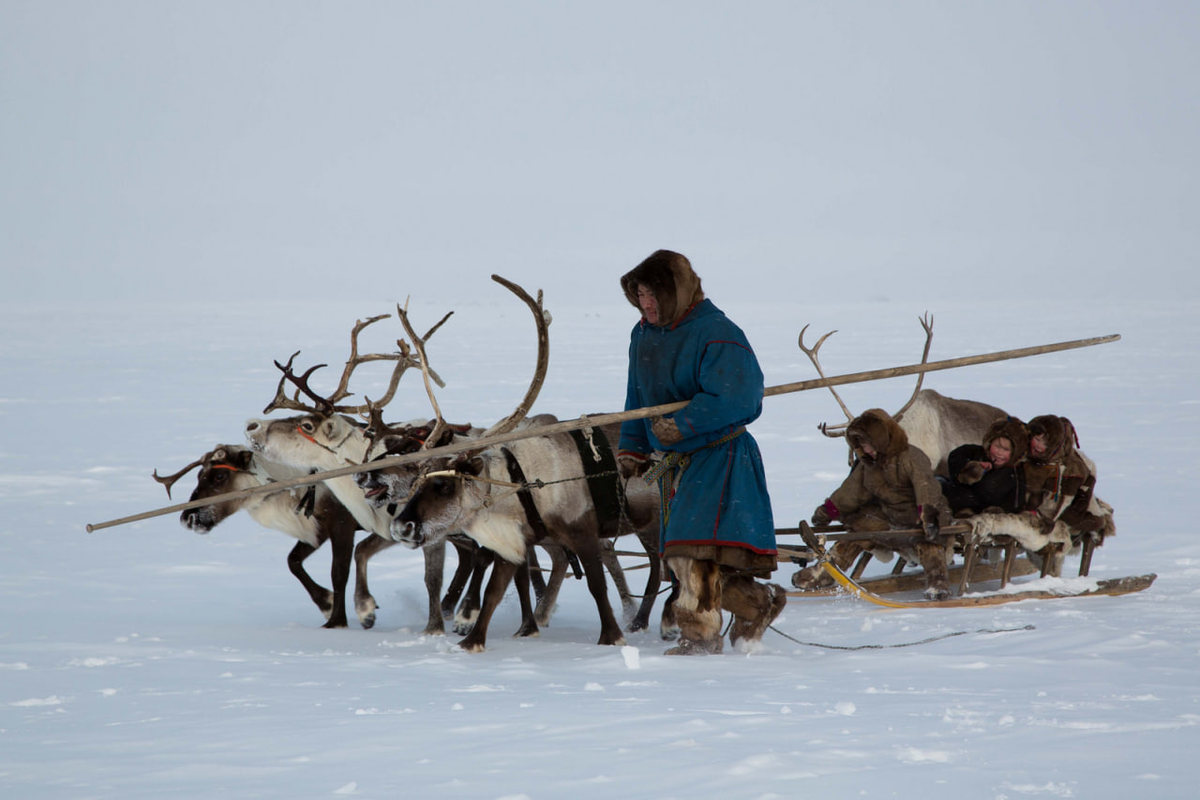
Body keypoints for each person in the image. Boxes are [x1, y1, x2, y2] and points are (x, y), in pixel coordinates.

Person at [616, 249, 785, 655]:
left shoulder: (717, 332)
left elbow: (741, 398)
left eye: (654, 294)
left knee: (691, 553)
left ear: (677, 291)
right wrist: (633, 446)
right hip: (678, 463)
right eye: (640, 294)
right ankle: (759, 604)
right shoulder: (643, 334)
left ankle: (701, 639)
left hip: (720, 455)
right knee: (688, 554)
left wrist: (683, 424)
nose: (646, 304)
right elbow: (639, 400)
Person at [791, 408, 954, 600]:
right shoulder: (869, 464)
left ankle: (938, 582)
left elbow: (925, 486)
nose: (865, 449)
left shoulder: (911, 457)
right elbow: (852, 491)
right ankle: (824, 574)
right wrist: (828, 511)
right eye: (861, 445)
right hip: (889, 514)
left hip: (920, 514)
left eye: (868, 444)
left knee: (929, 542)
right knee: (857, 533)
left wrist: (927, 514)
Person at [939, 416, 1029, 515]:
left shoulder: (1015, 472)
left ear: (1014, 453)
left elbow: (1016, 502)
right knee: (939, 482)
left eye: (1005, 450)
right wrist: (972, 467)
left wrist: (1003, 511)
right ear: (990, 443)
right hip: (960, 499)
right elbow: (955, 457)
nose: (999, 453)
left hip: (987, 510)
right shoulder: (977, 452)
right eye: (997, 447)